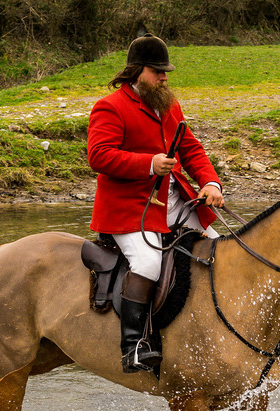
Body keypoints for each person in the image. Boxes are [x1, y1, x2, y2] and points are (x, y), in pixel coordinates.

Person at [87, 33, 225, 374]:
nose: (164, 77)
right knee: (148, 263)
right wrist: (148, 164)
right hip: (128, 207)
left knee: (221, 252)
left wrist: (209, 181)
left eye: (165, 71)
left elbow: (190, 149)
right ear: (136, 71)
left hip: (171, 199)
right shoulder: (110, 106)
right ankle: (133, 346)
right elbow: (99, 156)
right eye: (157, 71)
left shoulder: (168, 104)